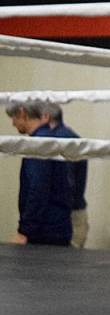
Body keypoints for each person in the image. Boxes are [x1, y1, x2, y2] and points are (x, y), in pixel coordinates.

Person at [5, 100, 73, 246]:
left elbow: (38, 189)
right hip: (56, 225)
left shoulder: (38, 144)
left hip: (44, 231)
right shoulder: (50, 139)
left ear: (22, 113)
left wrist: (25, 230)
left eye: (14, 117)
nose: (13, 123)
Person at [44, 102, 89, 248]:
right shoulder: (73, 137)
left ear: (45, 117)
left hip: (67, 215)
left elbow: (66, 182)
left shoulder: (57, 141)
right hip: (76, 211)